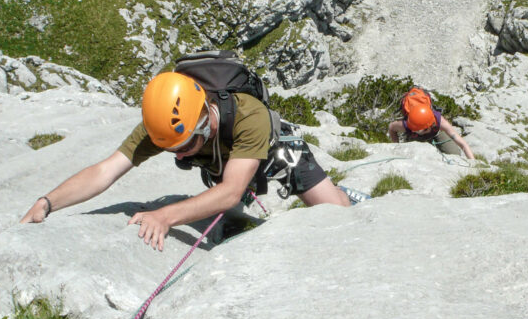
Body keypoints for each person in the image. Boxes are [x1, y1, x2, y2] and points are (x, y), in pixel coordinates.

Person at [21, 71, 350, 249]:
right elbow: (107, 170)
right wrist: (48, 202)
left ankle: (344, 194)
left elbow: (230, 192)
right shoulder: (167, 124)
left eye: (185, 145)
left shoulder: (250, 116)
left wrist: (165, 216)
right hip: (225, 161)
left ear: (206, 118)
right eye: (171, 149)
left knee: (337, 215)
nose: (178, 155)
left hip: (279, 151)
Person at [387, 88, 475, 159]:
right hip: (415, 139)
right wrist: (397, 146)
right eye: (417, 130)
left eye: (422, 130)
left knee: (454, 154)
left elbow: (463, 144)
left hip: (436, 133)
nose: (420, 131)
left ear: (430, 125)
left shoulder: (439, 121)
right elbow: (391, 128)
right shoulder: (406, 124)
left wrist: (473, 163)